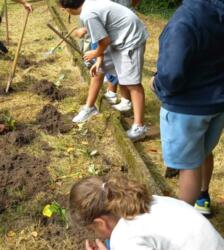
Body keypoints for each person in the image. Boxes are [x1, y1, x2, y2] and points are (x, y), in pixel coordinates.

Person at [151, 0, 224, 215]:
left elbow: (172, 73)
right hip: (217, 102)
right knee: (203, 152)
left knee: (188, 165)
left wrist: (157, 84)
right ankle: (203, 198)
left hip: (187, 108)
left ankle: (184, 219)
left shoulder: (186, 19)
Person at [60, 0, 149, 141]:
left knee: (132, 83)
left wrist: (95, 54)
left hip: (130, 38)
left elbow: (104, 41)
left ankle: (139, 127)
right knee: (98, 70)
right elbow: (102, 36)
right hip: (116, 36)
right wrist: (99, 60)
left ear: (67, 9)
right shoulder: (89, 5)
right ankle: (90, 108)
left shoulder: (87, 14)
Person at [69, 174, 224, 250]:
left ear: (100, 222)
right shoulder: (146, 201)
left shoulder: (125, 238)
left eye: (92, 229)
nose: (95, 234)